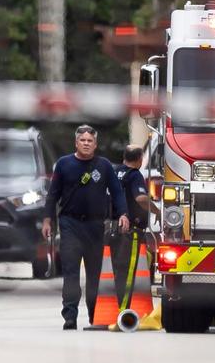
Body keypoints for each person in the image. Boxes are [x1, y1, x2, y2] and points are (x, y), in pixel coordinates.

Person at [42, 125, 129, 329]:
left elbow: (117, 193)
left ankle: (94, 315)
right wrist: (47, 219)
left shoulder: (104, 166)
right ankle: (70, 316)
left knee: (94, 273)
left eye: (90, 141)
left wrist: (123, 214)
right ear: (76, 142)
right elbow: (53, 194)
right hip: (70, 224)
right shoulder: (63, 164)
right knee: (71, 271)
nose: (86, 143)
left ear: (95, 144)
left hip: (95, 226)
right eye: (83, 140)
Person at [110, 145, 154, 307]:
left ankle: (116, 305)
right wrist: (156, 210)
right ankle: (124, 307)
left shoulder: (115, 172)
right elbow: (141, 198)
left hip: (113, 227)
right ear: (140, 160)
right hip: (131, 230)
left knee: (116, 268)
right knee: (128, 270)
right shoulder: (134, 175)